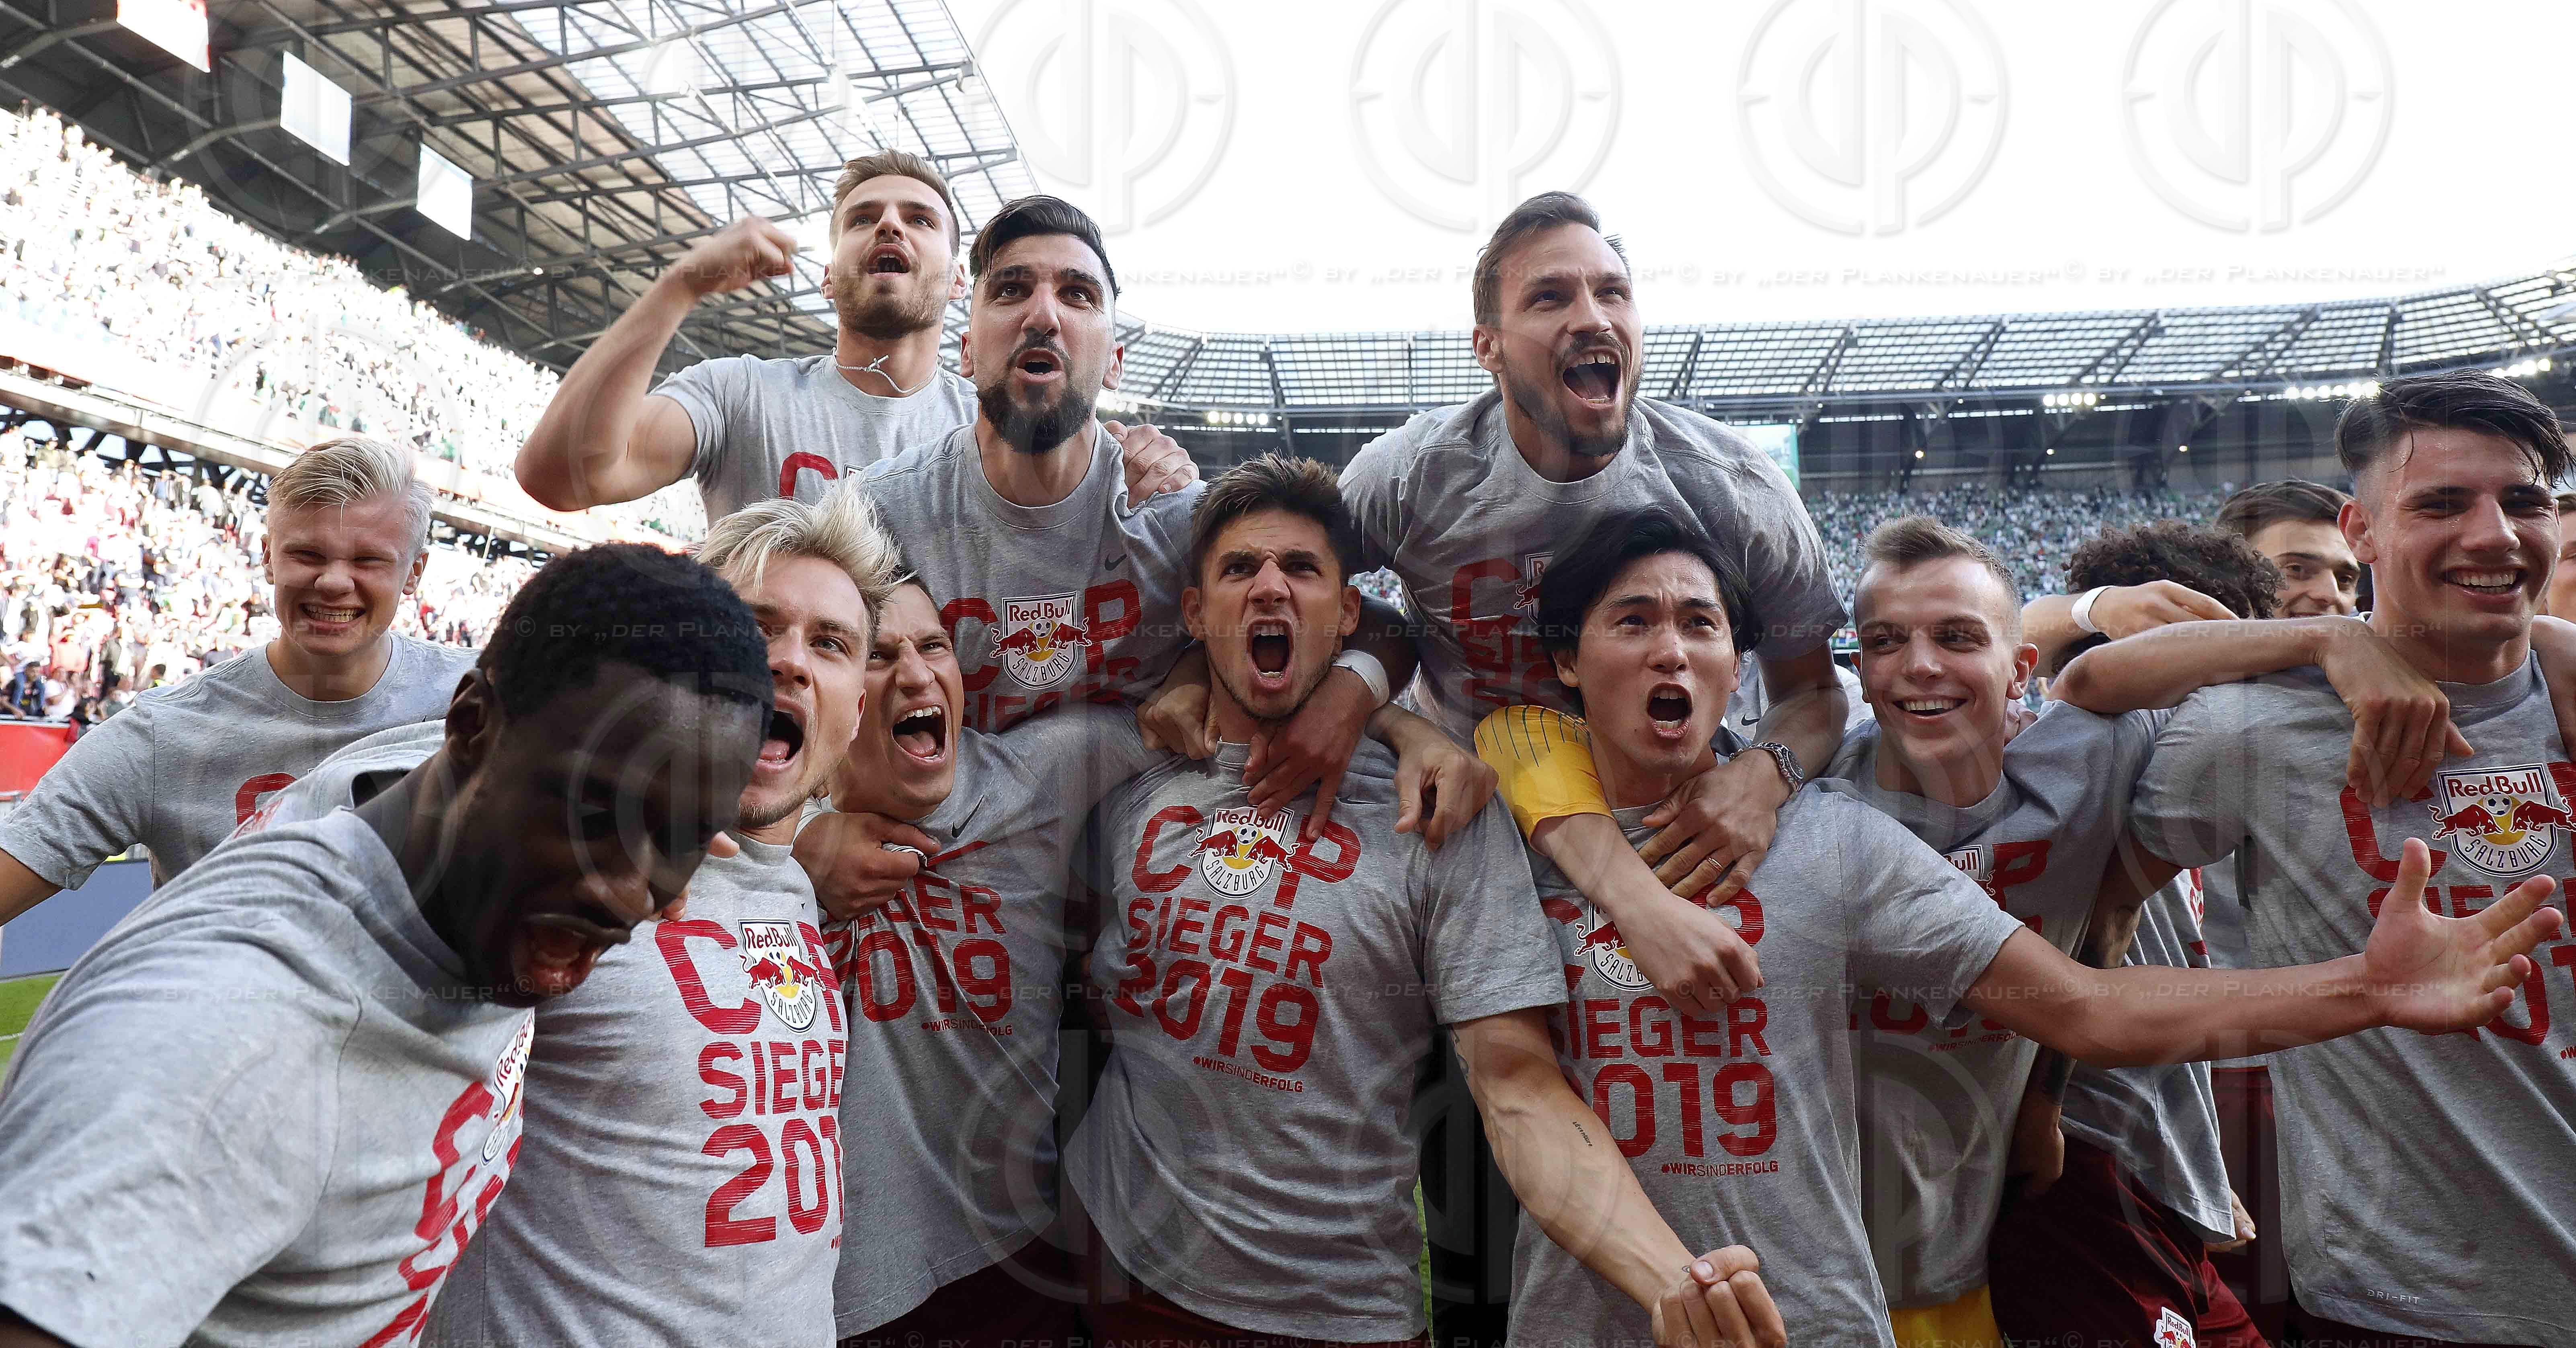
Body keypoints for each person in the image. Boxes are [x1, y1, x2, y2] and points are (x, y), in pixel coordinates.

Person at [1490, 506, 2560, 1348]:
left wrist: (2361, 987)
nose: (1920, 668)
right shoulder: (1520, 822)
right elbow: (1497, 740)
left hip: (1895, 1276)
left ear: (1742, 664)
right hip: (1621, 1301)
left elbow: (2085, 999)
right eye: (1633, 621)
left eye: (1700, 624)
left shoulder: (1843, 837)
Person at [1070, 459, 1780, 1348]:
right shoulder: (1131, 777)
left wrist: (1670, 1279)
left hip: (1339, 1311)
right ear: (1195, 614)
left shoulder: (1444, 810)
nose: (1271, 589)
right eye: (1240, 569)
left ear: (1348, 615)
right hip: (1121, 1277)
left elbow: (1516, 1083)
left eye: (1302, 569)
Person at [0, 543, 773, 1348]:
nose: (622, 891)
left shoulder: (469, 858)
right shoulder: (218, 1046)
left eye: (677, 835)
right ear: (470, 726)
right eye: (591, 816)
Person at [828, 569, 1490, 1348]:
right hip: (831, 1279)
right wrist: (807, 836)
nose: (914, 671)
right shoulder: (754, 827)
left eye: (933, 645)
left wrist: (1396, 725)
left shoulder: (1039, 772)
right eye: (877, 655)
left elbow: (1245, 701)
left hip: (1013, 1258)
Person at [2060, 369, 2576, 1345]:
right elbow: (2105, 904)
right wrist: (2057, 1103)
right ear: (2363, 531)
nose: (2494, 535)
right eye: (2440, 503)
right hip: (2409, 1307)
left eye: (2523, 500)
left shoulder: (2567, 684)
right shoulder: (2255, 730)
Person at [800, 198, 1452, 916]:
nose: (1043, 315)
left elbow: (1376, 624)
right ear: (966, 348)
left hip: (1144, 904)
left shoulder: (1176, 518)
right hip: (951, 900)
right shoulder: (882, 514)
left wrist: (1363, 706)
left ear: (1113, 361)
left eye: (1076, 295)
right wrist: (801, 839)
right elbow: (791, 678)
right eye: (1011, 289)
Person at [1339, 191, 1845, 1021]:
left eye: (1612, 292)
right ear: (1488, 348)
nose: (1592, 315)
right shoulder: (1408, 477)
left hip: (1676, 825)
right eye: (1550, 297)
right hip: (1469, 826)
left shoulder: (1735, 490)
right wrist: (1389, 714)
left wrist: (1766, 773)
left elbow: (1815, 692)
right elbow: (1286, 594)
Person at [513, 152, 1193, 523]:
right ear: (827, 280)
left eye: (919, 219)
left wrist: (1161, 471)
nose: (890, 227)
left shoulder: (1000, 429)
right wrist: (679, 285)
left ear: (961, 282)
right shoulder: (740, 392)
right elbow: (561, 477)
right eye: (864, 218)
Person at [1988, 522, 2285, 1348]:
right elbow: (2098, 940)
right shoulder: (2096, 741)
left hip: (2151, 1167)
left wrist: (2195, 1164)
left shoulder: (2180, 753)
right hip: (2083, 1161)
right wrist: (2043, 1107)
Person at [0, 437, 476, 924]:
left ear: (415, 571)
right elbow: (24, 852)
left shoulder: (491, 700)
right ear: (268, 558)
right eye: (309, 555)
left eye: (368, 560)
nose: (334, 582)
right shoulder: (164, 734)